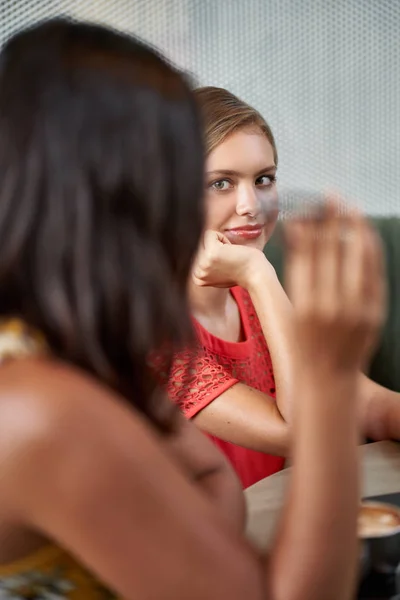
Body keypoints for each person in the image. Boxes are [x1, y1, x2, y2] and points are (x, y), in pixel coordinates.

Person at [0, 18, 385, 600]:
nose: (245, 205)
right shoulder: (42, 408)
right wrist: (328, 379)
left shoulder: (76, 344)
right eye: (201, 179)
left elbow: (214, 499)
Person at [163, 85, 400, 489]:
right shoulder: (151, 328)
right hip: (215, 540)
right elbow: (302, 432)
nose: (251, 205)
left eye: (263, 179)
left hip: (285, 517)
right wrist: (259, 273)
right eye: (220, 183)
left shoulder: (249, 295)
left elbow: (349, 395)